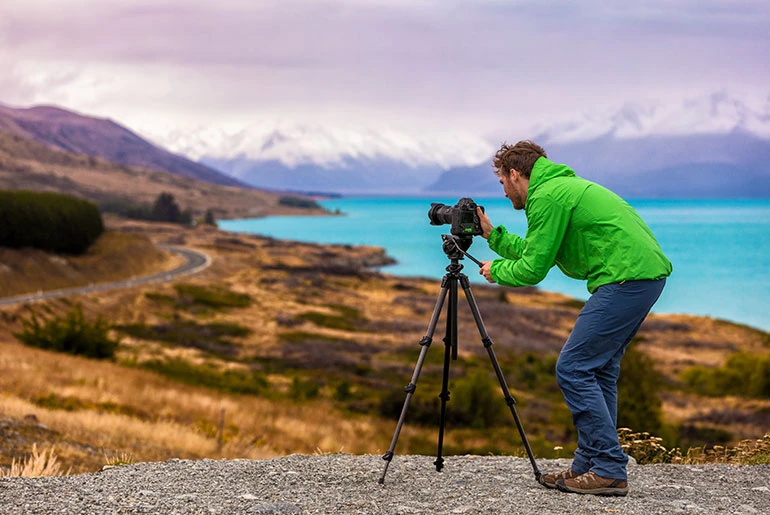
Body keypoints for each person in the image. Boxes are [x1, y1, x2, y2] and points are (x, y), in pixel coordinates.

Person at [476, 140, 672, 497]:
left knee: (574, 367)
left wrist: (498, 270)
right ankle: (590, 464)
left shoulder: (546, 197)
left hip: (626, 278)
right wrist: (493, 236)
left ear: (515, 174)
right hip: (642, 277)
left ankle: (610, 469)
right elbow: (540, 251)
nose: (504, 193)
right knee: (599, 370)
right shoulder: (558, 189)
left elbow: (533, 269)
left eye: (502, 183)